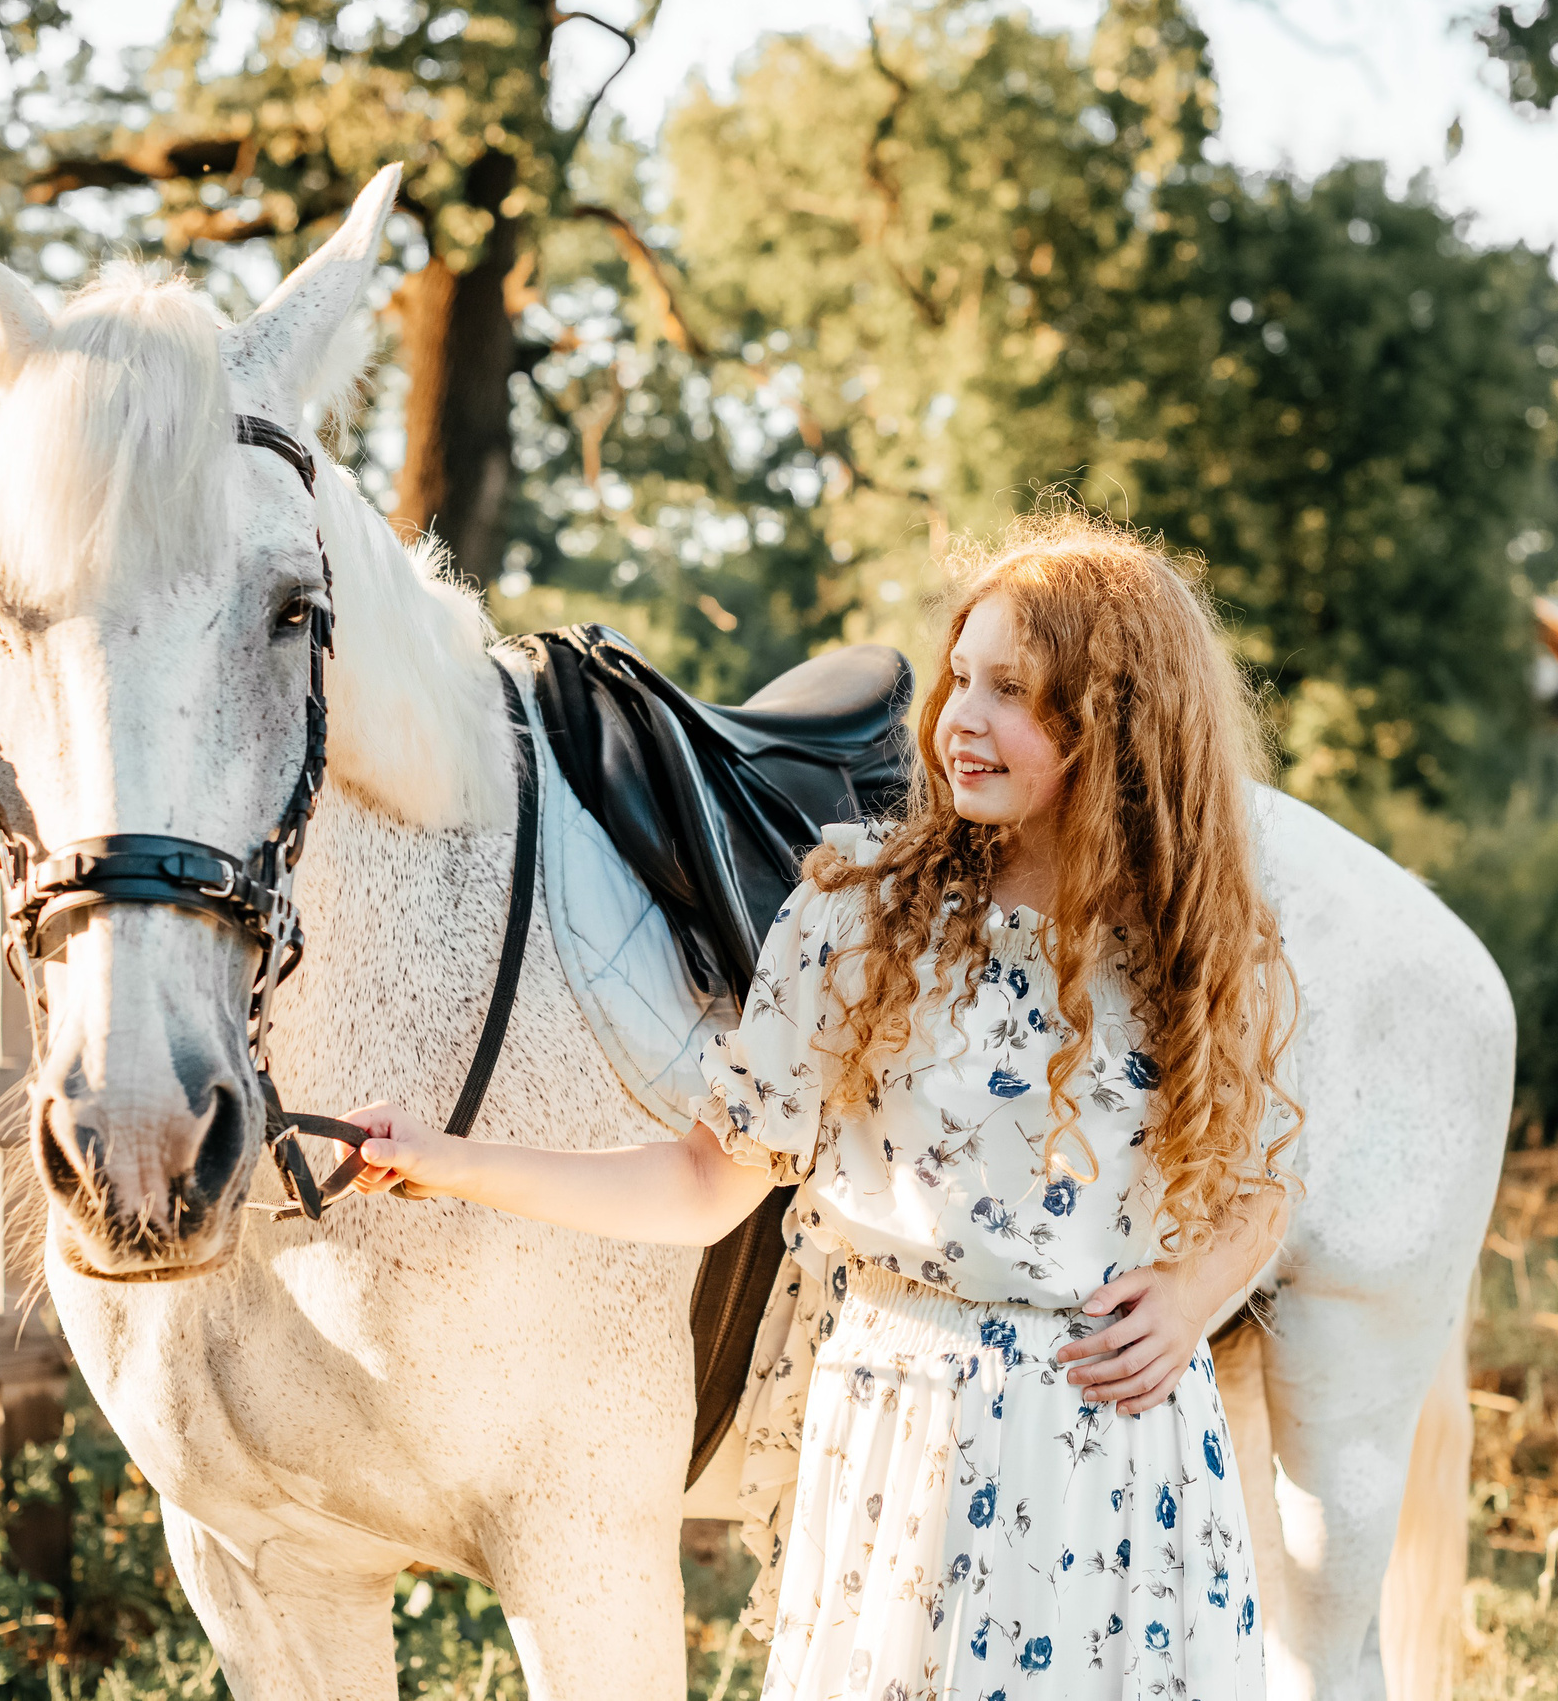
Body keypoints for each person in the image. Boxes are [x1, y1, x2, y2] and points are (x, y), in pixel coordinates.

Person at [342, 509, 1302, 1700]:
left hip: (1121, 1461)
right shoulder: (862, 919)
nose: (961, 718)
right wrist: (452, 1162)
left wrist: (1198, 1290)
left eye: (1011, 689)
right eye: (960, 674)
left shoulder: (1198, 955)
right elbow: (703, 1183)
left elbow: (1261, 1180)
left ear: (1115, 725)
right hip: (911, 1435)